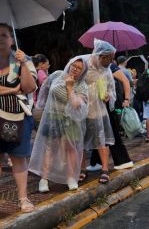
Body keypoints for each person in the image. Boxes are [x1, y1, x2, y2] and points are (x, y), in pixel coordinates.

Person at [29, 56, 89, 192]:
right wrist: (40, 105)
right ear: (70, 63)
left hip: (70, 120)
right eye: (74, 65)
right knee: (50, 148)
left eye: (80, 68)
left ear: (83, 72)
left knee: (71, 149)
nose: (75, 69)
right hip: (53, 117)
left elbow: (75, 104)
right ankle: (44, 179)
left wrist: (69, 87)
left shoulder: (82, 85)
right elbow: (44, 89)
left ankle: (70, 177)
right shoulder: (57, 75)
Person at [0, 23, 37, 212]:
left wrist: (22, 63)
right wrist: (13, 89)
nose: (0, 39)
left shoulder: (24, 59)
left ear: (12, 39)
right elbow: (18, 89)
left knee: (18, 158)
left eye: (4, 35)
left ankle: (23, 198)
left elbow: (29, 87)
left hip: (18, 117)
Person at [81, 39, 117, 184]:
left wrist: (109, 96)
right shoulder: (84, 63)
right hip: (82, 109)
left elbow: (111, 88)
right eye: (110, 58)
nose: (111, 61)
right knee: (80, 140)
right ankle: (82, 169)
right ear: (102, 56)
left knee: (101, 139)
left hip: (99, 111)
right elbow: (72, 81)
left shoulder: (106, 70)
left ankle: (105, 169)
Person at [87, 59, 134, 171]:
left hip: (110, 103)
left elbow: (125, 81)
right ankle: (96, 161)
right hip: (99, 104)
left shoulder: (111, 67)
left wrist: (127, 99)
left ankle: (123, 160)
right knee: (100, 131)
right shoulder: (97, 67)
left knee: (111, 131)